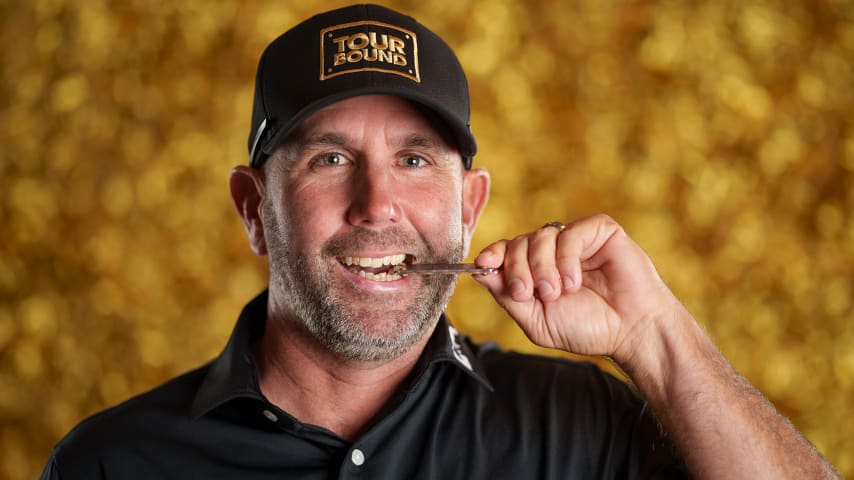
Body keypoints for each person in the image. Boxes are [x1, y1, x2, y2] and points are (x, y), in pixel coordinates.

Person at [41, 4, 839, 479]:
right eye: (330, 159)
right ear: (254, 209)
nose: (377, 202)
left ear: (469, 206)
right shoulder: (112, 464)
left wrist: (658, 336)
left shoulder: (580, 429)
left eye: (415, 160)